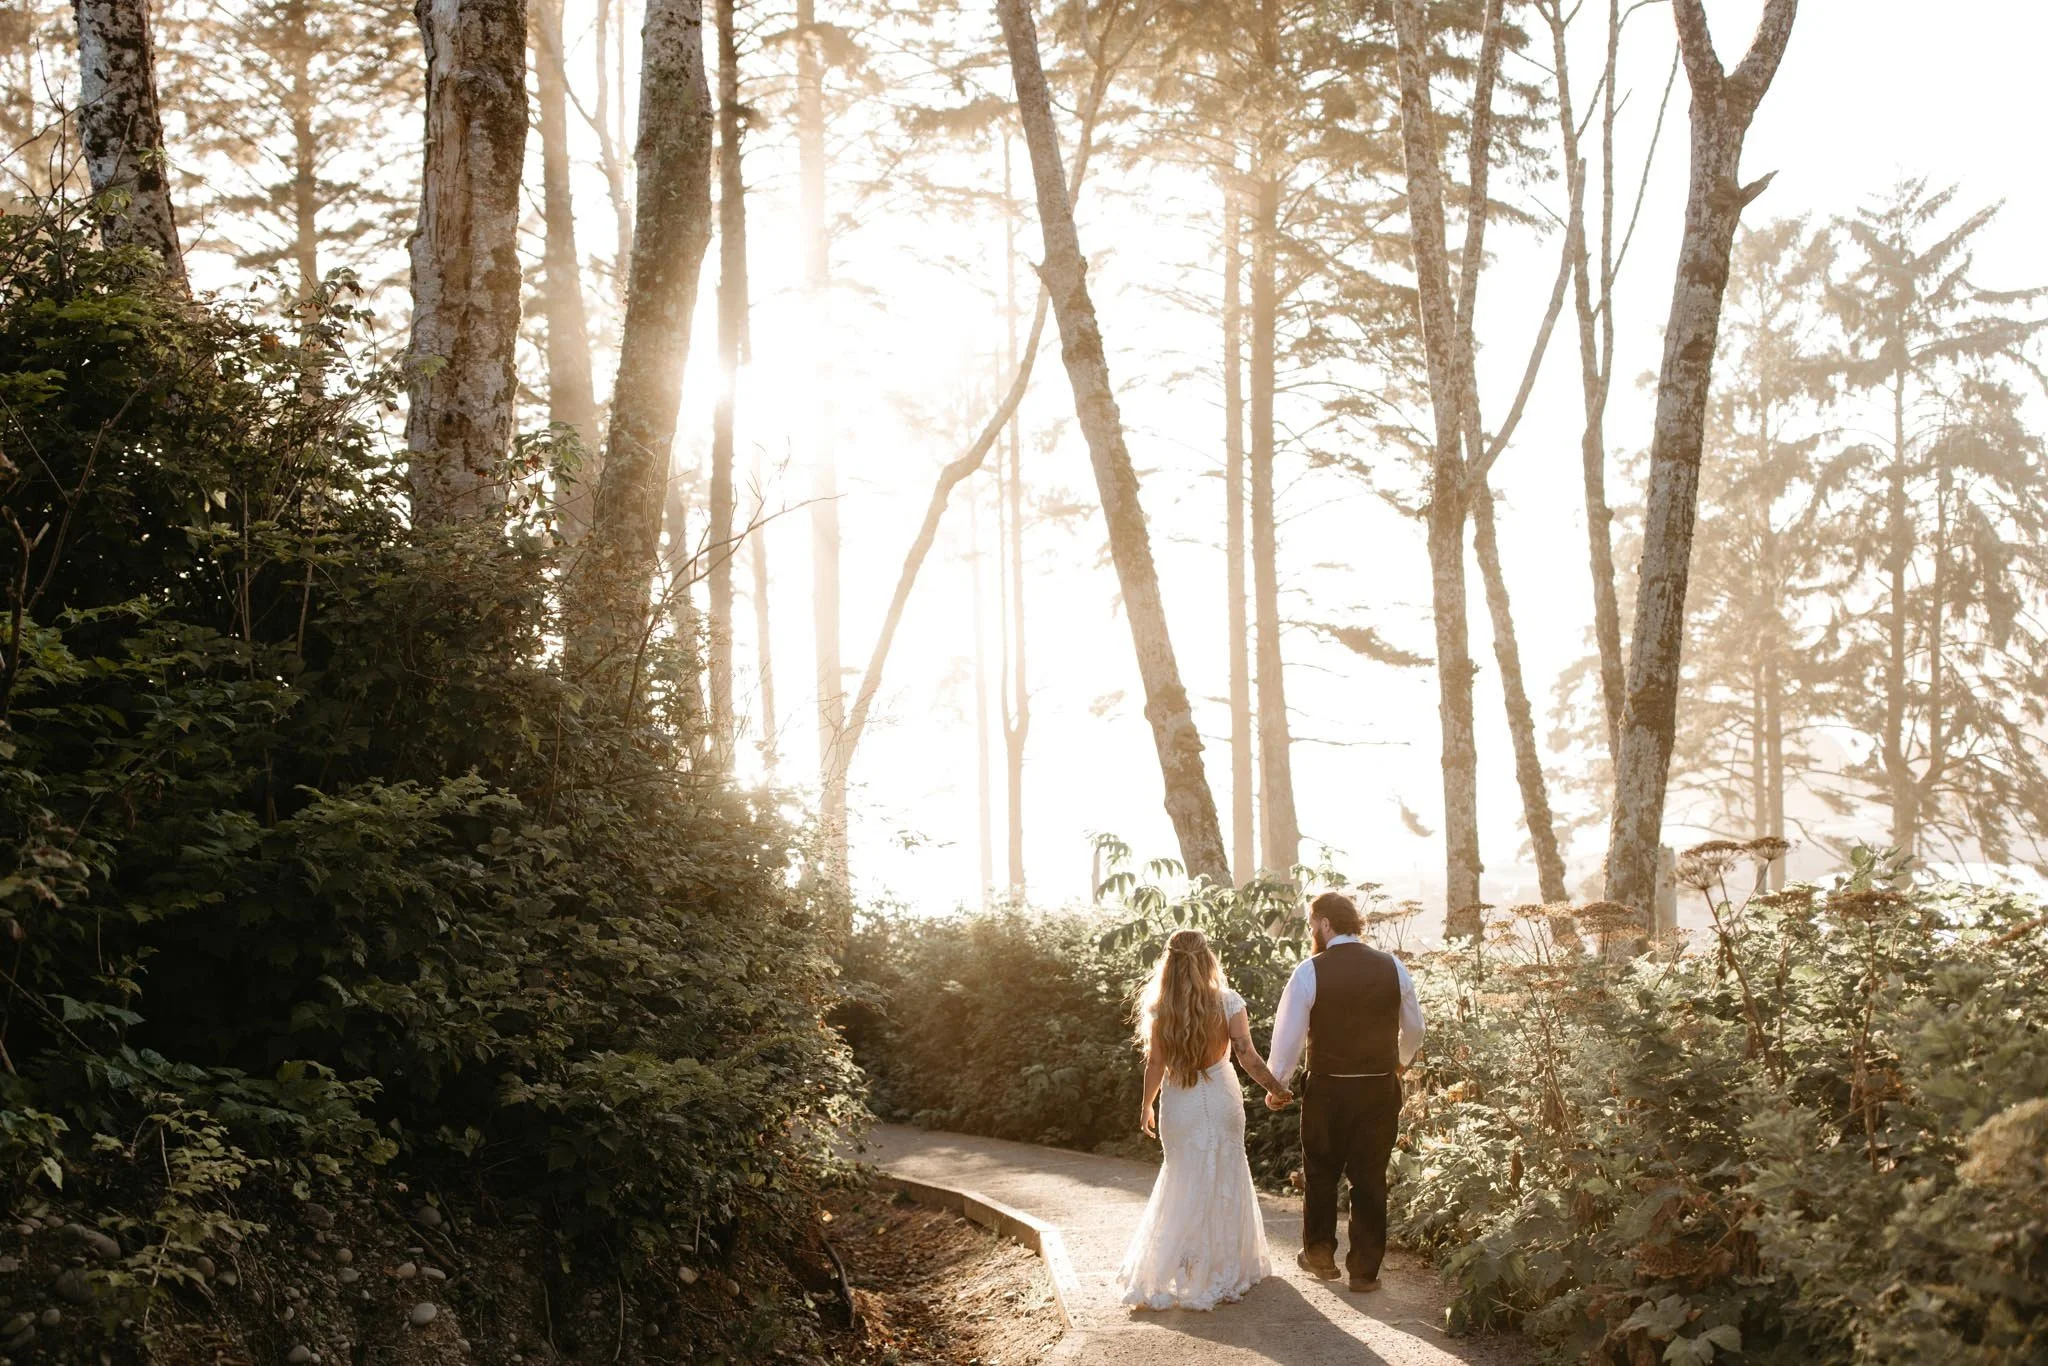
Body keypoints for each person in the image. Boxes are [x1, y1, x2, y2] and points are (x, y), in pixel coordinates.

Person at [1115, 928, 1291, 1310]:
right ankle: (1225, 1265)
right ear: (1208, 958)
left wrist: (1146, 1104)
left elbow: (1156, 1063)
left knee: (1182, 1177)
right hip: (1222, 1096)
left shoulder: (1161, 1008)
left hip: (1180, 1101)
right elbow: (1246, 1054)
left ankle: (1185, 1267)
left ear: (1170, 962)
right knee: (1226, 1172)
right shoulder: (1227, 1002)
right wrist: (1276, 1087)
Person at [1264, 891, 1425, 1293]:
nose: (1310, 931)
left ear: (1324, 923)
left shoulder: (1309, 971)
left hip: (1328, 1089)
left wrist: (1277, 1083)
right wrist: (1400, 1061)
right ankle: (1364, 1272)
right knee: (1369, 1178)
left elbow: (1289, 1036)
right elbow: (1416, 1028)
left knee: (1321, 1172)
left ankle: (1320, 1255)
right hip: (1377, 1089)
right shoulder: (1393, 967)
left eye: (1310, 924)